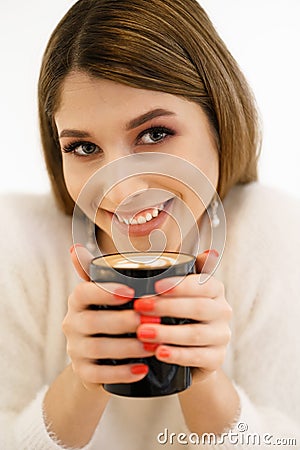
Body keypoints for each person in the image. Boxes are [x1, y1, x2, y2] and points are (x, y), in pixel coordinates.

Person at [1, 0, 299, 448]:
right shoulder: (15, 243)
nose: (121, 192)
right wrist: (83, 381)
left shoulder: (274, 234)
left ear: (218, 120)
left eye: (154, 134)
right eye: (82, 148)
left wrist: (202, 376)